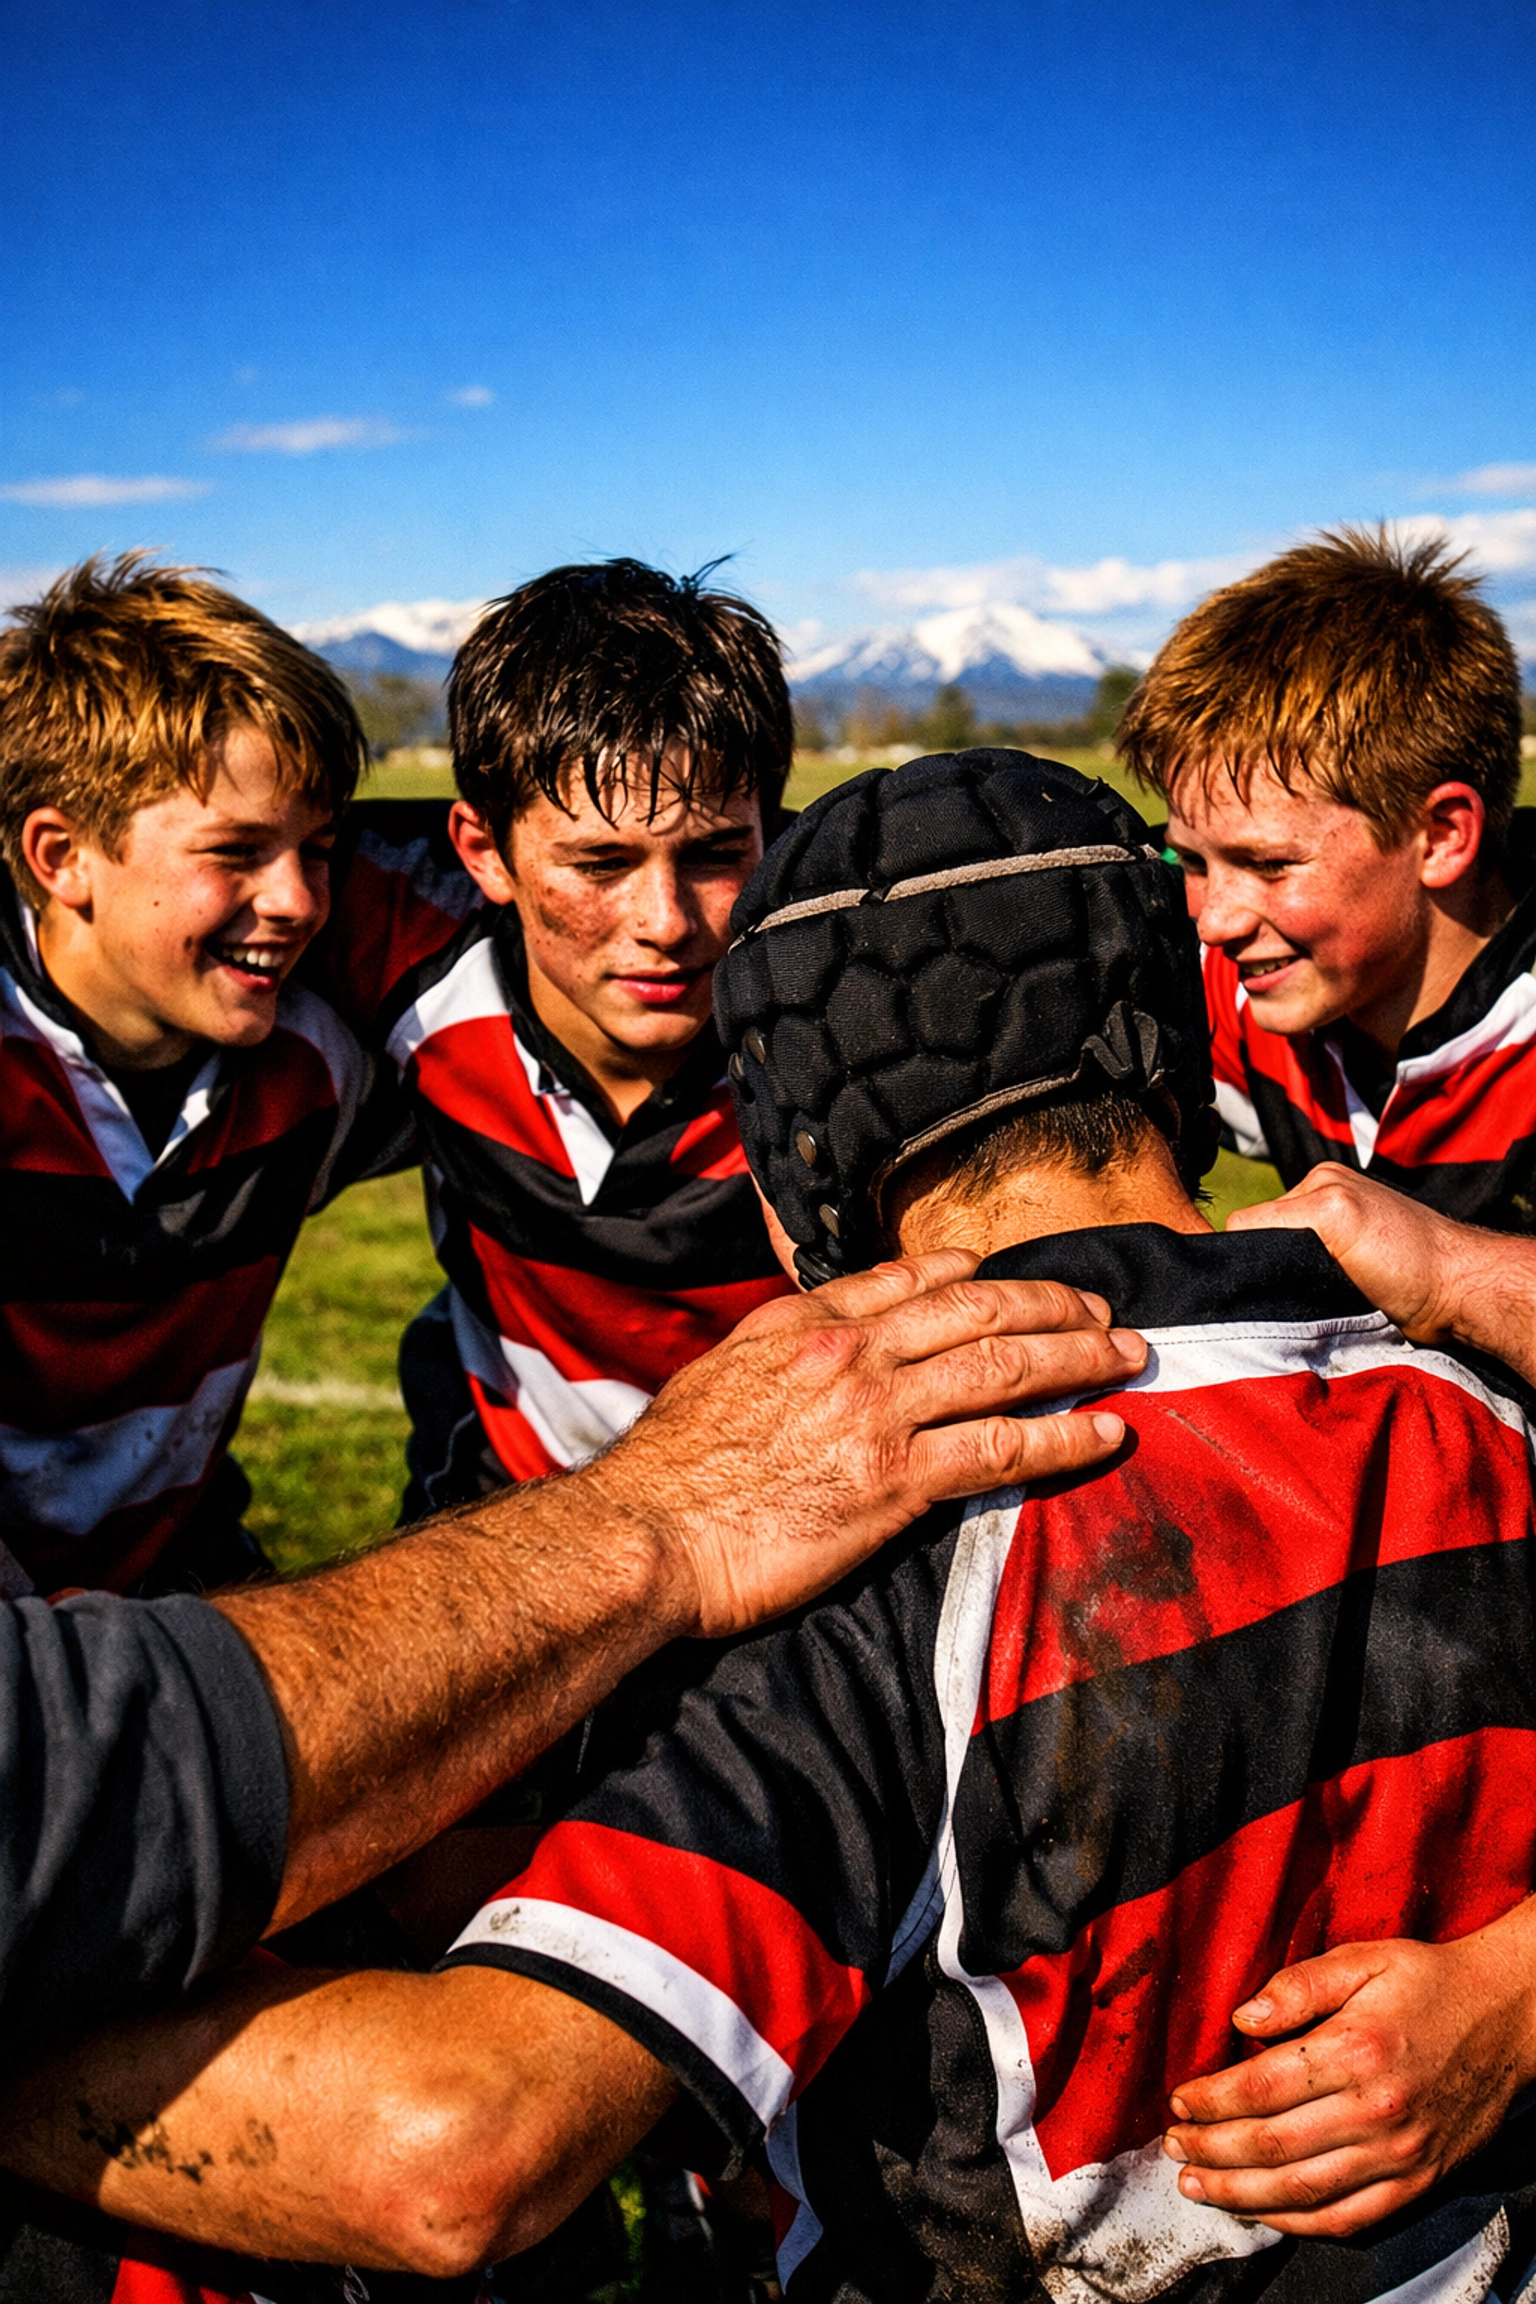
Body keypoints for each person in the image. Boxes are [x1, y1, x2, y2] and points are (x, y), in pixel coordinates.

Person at [11, 755, 1536, 2304]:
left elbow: (457, 2148)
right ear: (1175, 1031)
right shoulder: (1478, 1373)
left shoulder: (875, 1555)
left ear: (791, 1159)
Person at [314, 559, 796, 1516]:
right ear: (483, 851)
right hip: (500, 1510)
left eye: (712, 854)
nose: (665, 920)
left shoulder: (854, 993)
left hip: (787, 1532)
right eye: (599, 863)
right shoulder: (386, 928)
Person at [0, 555, 410, 1596]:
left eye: (319, 851)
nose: (297, 901)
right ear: (61, 857)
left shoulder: (316, 1068)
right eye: (235, 852)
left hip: (186, 1586)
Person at [1118, 526, 1536, 1228]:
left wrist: (1450, 1275)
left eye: (1270, 864)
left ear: (1440, 837)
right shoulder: (1251, 995)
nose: (1215, 921)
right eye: (1190, 860)